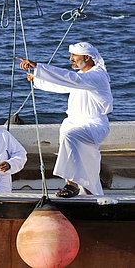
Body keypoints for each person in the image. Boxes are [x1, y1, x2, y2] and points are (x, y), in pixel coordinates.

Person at [17, 42, 113, 197]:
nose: (71, 59)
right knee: (86, 159)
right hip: (76, 123)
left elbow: (70, 78)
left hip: (94, 125)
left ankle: (71, 185)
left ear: (87, 57)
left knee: (70, 135)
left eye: (74, 55)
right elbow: (63, 86)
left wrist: (38, 67)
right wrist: (37, 79)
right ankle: (89, 192)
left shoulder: (97, 76)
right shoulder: (83, 77)